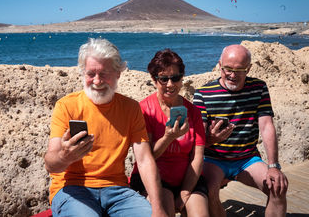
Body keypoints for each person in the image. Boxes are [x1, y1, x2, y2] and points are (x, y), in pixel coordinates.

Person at [44, 38, 168, 217]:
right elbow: (51, 165)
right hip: (73, 189)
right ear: (82, 73)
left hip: (117, 191)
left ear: (118, 73)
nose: (97, 81)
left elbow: (144, 160)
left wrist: (157, 207)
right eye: (91, 74)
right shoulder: (66, 106)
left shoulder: (131, 108)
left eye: (104, 74)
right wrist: (65, 156)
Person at [193, 44, 288, 217]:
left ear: (249, 69)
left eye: (239, 70)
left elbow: (266, 126)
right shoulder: (203, 93)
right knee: (208, 192)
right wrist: (210, 139)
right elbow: (198, 137)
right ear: (219, 65)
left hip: (247, 158)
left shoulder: (259, 88)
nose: (232, 75)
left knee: (278, 187)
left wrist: (274, 166)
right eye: (227, 69)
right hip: (214, 159)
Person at [130, 49, 209, 217]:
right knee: (164, 203)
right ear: (154, 80)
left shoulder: (193, 111)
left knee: (200, 212)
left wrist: (185, 192)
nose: (170, 84)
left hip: (188, 177)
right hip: (155, 177)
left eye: (175, 78)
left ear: (182, 78)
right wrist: (168, 137)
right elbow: (146, 157)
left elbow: (197, 157)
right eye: (163, 79)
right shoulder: (144, 110)